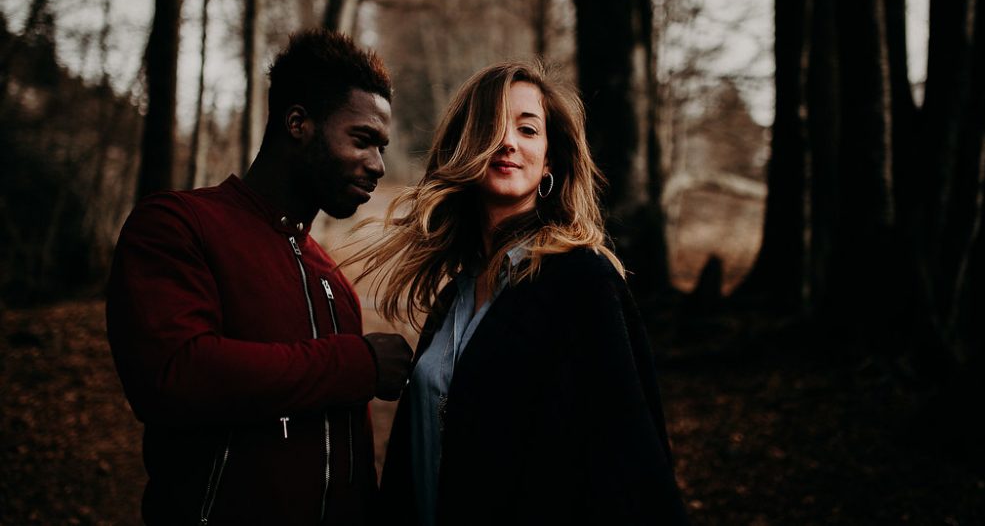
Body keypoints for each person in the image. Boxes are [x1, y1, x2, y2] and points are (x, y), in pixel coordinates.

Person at [350, 61, 689, 525]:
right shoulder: (457, 295)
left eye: (528, 129)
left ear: (549, 159)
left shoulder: (581, 283)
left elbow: (629, 459)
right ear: (465, 144)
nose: (508, 141)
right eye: (492, 127)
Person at [106, 30, 414, 525]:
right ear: (298, 123)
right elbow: (174, 376)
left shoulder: (331, 277)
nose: (378, 164)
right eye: (363, 140)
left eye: (382, 147)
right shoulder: (179, 224)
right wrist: (357, 363)